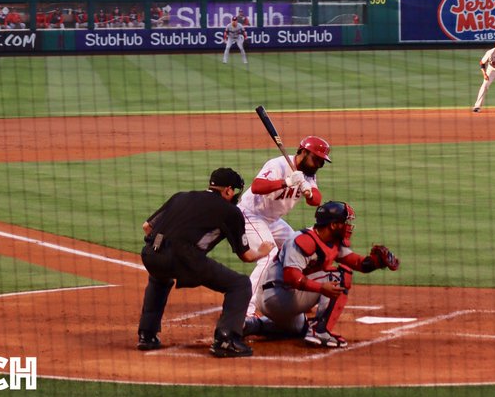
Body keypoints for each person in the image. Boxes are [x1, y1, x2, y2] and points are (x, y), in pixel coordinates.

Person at [137, 168, 273, 358]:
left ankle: (146, 335)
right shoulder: (230, 211)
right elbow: (246, 256)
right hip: (184, 258)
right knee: (240, 284)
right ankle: (226, 340)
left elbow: (147, 227)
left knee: (159, 278)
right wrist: (262, 251)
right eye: (234, 191)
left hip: (150, 254)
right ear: (227, 190)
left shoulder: (181, 196)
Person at [248, 201, 400, 349]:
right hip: (277, 294)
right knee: (339, 276)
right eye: (345, 222)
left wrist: (377, 262)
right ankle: (320, 331)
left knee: (298, 329)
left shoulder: (332, 241)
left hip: (282, 297)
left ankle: (251, 326)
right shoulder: (302, 241)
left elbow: (358, 264)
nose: (348, 226)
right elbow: (291, 277)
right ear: (333, 225)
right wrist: (321, 288)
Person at [239, 135, 330, 321]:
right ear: (303, 153)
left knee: (299, 248)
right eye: (316, 159)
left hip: (272, 220)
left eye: (321, 162)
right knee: (269, 256)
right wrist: (287, 182)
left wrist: (308, 191)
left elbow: (316, 201)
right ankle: (243, 309)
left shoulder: (308, 173)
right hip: (250, 215)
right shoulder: (278, 165)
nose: (317, 165)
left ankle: (297, 298)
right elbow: (256, 187)